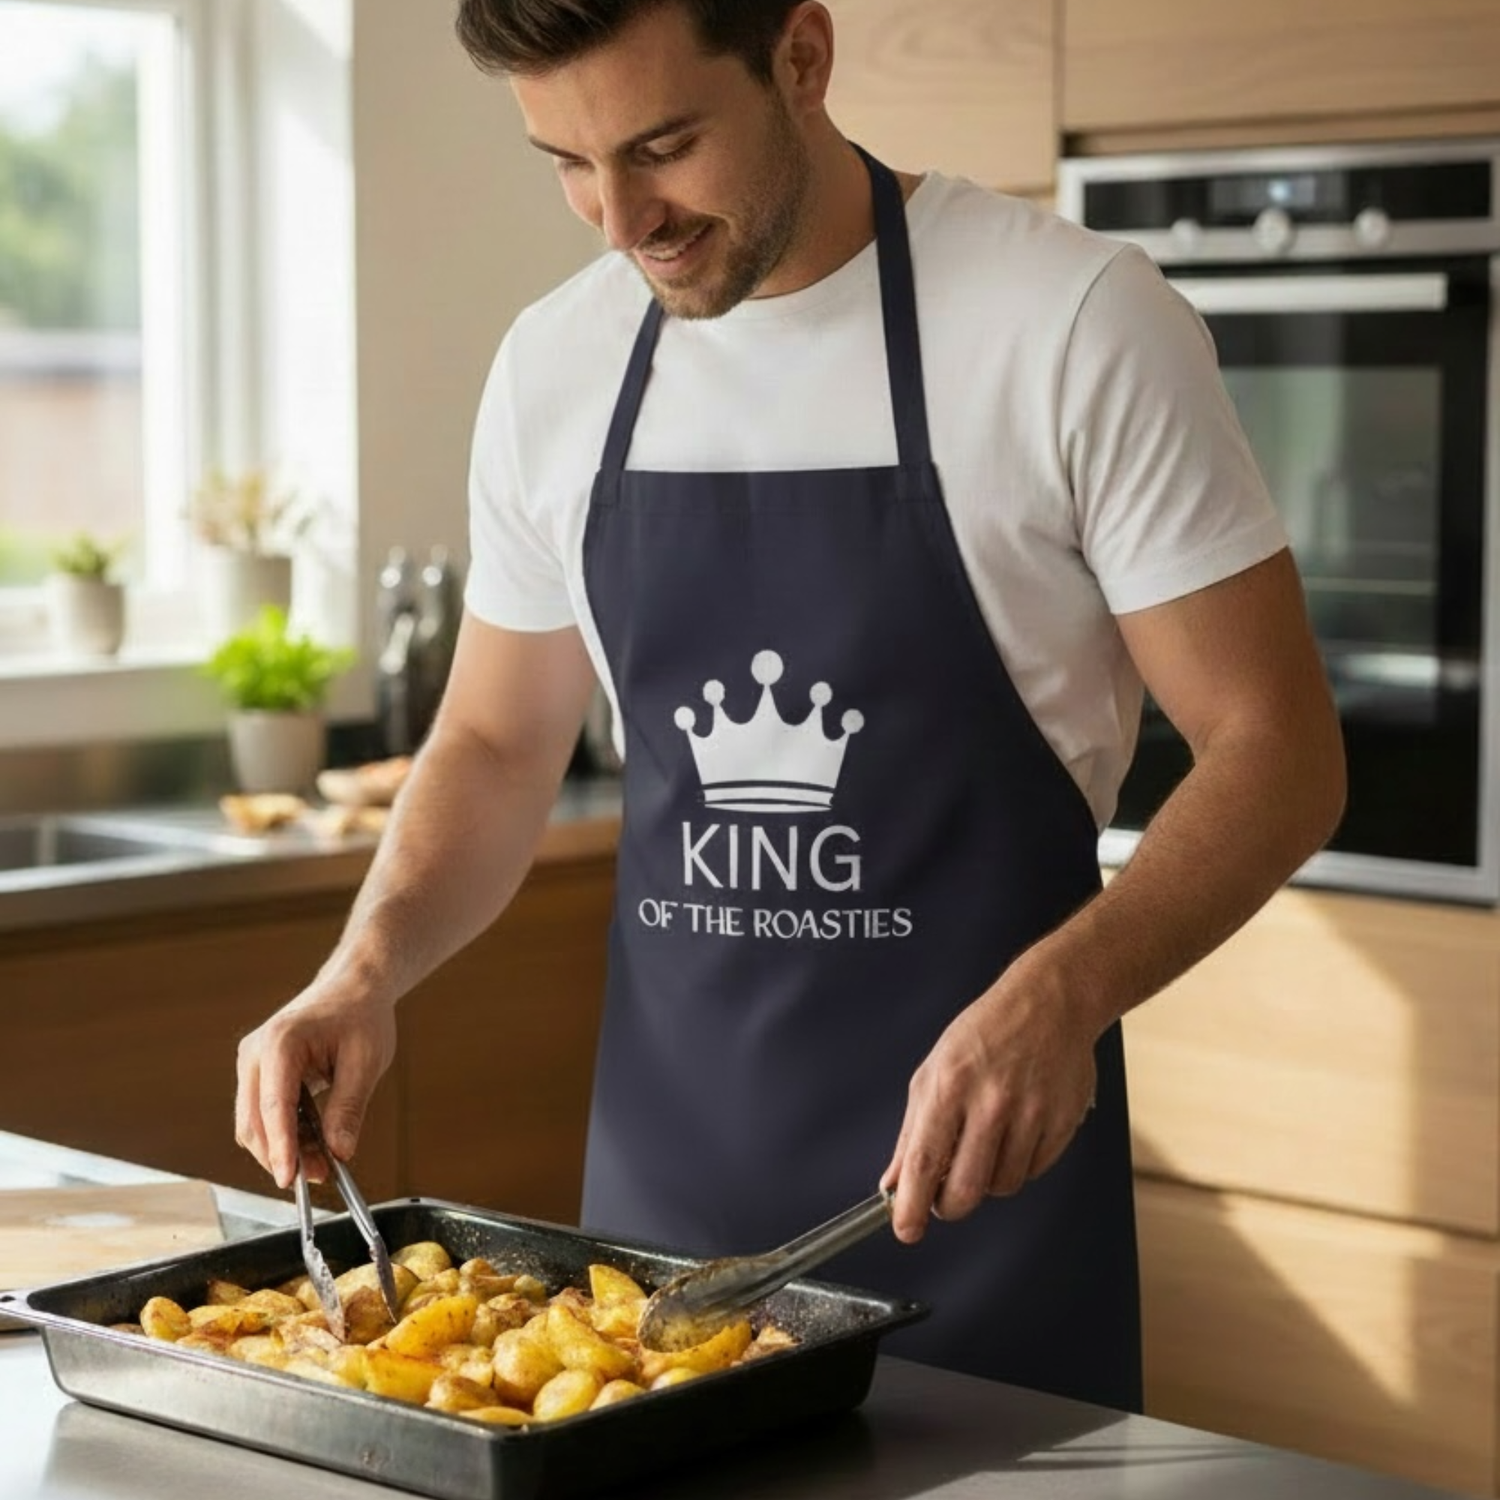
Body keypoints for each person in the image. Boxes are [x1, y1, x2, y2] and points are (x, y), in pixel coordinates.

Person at [234, 0, 1346, 1413]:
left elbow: (1280, 751)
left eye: (663, 146)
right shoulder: (557, 368)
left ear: (803, 60)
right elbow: (498, 739)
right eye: (566, 164)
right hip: (643, 1281)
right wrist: (365, 967)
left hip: (976, 1238)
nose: (619, 218)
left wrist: (1069, 992)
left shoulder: (1069, 326)